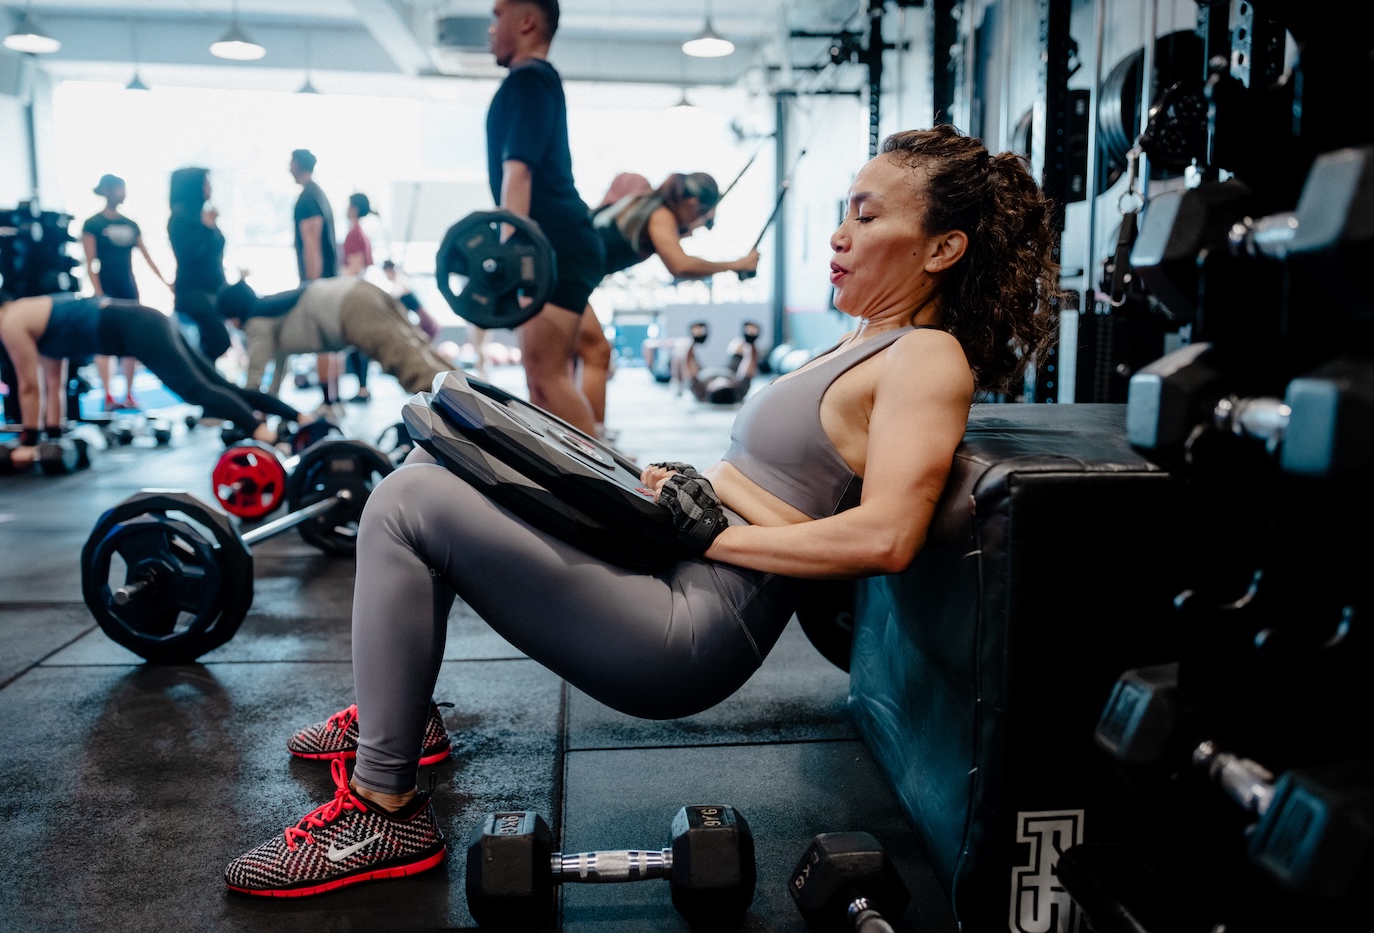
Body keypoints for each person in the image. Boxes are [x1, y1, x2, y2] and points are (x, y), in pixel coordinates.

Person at [222, 124, 1059, 897]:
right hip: (677, 562)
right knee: (440, 456)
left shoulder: (927, 358)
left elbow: (887, 536)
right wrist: (674, 486)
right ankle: (398, 717)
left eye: (867, 217)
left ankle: (384, 808)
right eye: (844, 212)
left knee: (407, 504)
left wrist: (716, 535)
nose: (839, 235)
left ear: (943, 247)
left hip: (691, 626)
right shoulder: (863, 338)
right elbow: (772, 488)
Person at [0, 285, 320, 465]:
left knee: (196, 391)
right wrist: (50, 436)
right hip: (145, 319)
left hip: (136, 327)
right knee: (219, 386)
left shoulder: (12, 323)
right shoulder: (29, 314)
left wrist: (28, 445)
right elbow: (53, 383)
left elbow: (29, 387)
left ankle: (267, 437)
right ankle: (302, 420)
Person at [484, 0, 605, 436]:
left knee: (547, 378)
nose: (490, 27)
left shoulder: (529, 80)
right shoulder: (537, 80)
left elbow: (518, 173)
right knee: (541, 383)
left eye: (498, 15)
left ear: (527, 21)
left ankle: (611, 480)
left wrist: (507, 254)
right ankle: (567, 476)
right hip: (555, 244)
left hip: (554, 247)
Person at [581, 172, 760, 438]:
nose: (699, 225)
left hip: (571, 273)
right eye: (702, 215)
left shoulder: (648, 204)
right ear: (692, 204)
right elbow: (680, 265)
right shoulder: (660, 214)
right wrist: (737, 264)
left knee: (582, 357)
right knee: (596, 352)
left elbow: (674, 244)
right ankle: (593, 439)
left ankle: (589, 433)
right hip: (569, 274)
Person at [219, 277, 456, 396]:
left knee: (410, 365)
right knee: (420, 350)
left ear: (234, 314)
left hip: (347, 307)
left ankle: (463, 416)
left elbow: (255, 372)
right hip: (357, 291)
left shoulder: (256, 322)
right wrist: (269, 400)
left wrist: (249, 403)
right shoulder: (269, 310)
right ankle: (468, 395)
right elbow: (279, 364)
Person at [81, 173, 172, 411]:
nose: (123, 194)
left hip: (128, 288)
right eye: (119, 189)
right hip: (106, 289)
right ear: (108, 190)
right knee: (104, 341)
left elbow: (147, 257)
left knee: (130, 341)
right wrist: (98, 292)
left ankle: (130, 394)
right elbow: (90, 262)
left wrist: (167, 283)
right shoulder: (93, 224)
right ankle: (108, 395)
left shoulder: (131, 224)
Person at [289, 148, 342, 410]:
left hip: (319, 281)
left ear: (298, 165)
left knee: (322, 341)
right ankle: (334, 399)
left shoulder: (307, 198)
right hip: (329, 278)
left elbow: (311, 241)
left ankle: (327, 401)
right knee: (332, 342)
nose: (288, 168)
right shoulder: (317, 194)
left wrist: (312, 283)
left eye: (291, 163)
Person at [166, 167, 231, 362]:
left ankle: (206, 376)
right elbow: (189, 253)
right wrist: (207, 227)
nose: (210, 188)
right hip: (194, 293)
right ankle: (197, 373)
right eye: (206, 183)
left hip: (214, 290)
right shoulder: (179, 218)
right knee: (219, 341)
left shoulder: (201, 215)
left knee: (211, 342)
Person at [675, 319, 762, 405]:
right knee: (738, 344)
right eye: (725, 383)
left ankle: (677, 384)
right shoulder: (739, 392)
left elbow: (687, 363)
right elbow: (750, 362)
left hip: (704, 374)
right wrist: (751, 341)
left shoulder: (700, 392)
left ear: (710, 389)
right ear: (732, 386)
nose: (720, 380)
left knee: (682, 349)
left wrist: (694, 340)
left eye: (718, 383)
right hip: (730, 372)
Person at [341, 193, 375, 403]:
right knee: (357, 344)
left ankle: (363, 389)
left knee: (357, 343)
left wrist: (336, 283)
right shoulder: (360, 233)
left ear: (354, 208)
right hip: (361, 290)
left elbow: (356, 265)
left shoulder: (355, 234)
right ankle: (362, 388)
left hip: (354, 291)